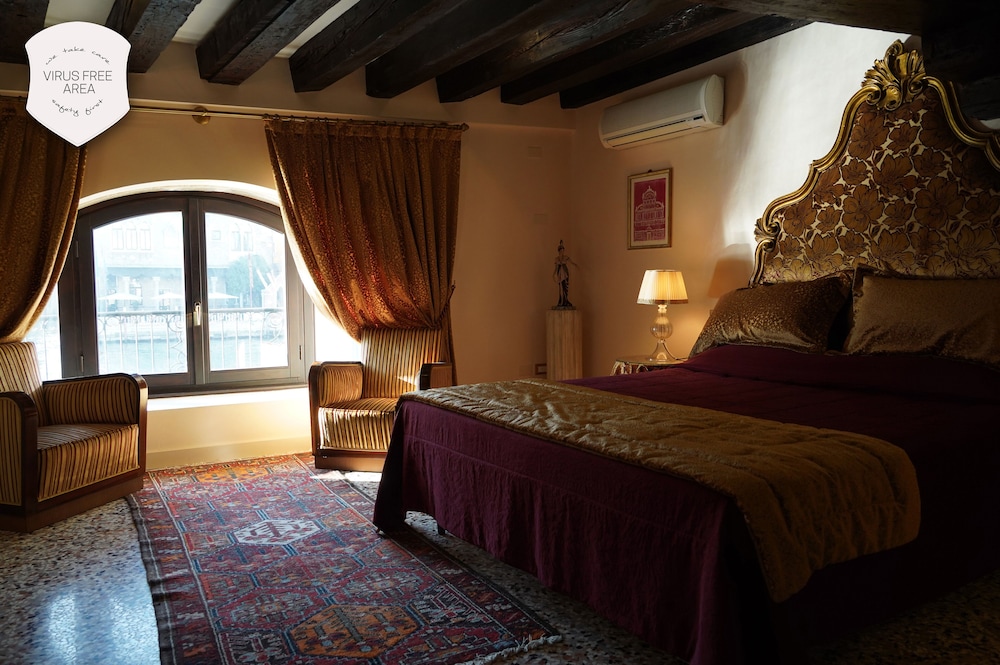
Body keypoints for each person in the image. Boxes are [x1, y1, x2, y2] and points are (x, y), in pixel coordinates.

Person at [552, 240, 576, 309]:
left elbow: (571, 262)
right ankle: (561, 301)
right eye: (561, 251)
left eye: (563, 251)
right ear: (559, 251)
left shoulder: (565, 257)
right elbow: (556, 268)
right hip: (560, 274)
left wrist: (576, 265)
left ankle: (565, 301)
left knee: (565, 287)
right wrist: (553, 274)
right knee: (561, 288)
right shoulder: (557, 259)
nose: (562, 252)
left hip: (565, 274)